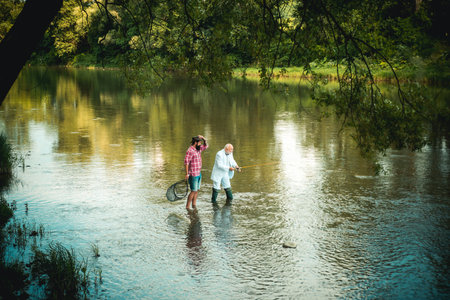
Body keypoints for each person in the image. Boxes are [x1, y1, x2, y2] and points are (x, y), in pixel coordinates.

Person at [184, 135, 208, 209]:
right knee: (193, 191)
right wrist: (187, 173)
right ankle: (187, 207)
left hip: (198, 173)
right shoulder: (190, 151)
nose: (200, 144)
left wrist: (203, 138)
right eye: (199, 142)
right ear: (195, 143)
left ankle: (194, 205)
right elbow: (186, 163)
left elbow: (206, 146)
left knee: (197, 190)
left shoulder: (198, 149)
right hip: (193, 174)